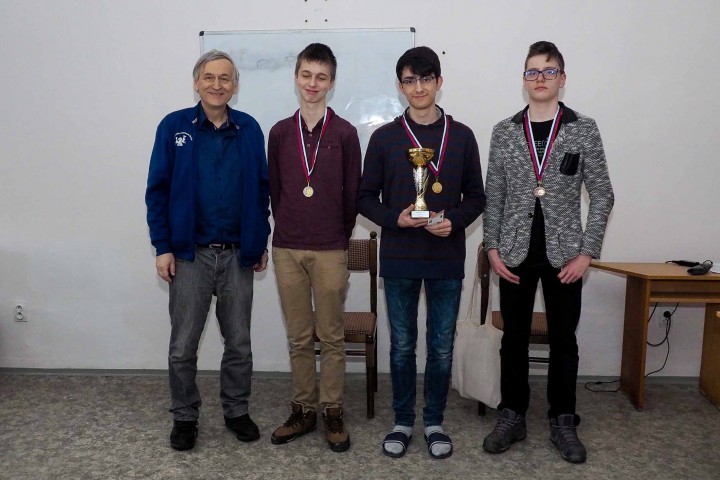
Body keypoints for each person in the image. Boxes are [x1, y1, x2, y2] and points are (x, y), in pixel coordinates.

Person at [481, 41, 614, 464]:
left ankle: (563, 419)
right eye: (532, 71)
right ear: (524, 80)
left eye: (549, 71)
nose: (540, 78)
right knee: (513, 340)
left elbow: (603, 194)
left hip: (566, 257)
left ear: (562, 78)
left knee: (564, 341)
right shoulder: (505, 131)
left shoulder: (582, 128)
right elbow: (493, 197)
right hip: (514, 253)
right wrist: (492, 248)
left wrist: (587, 253)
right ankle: (512, 414)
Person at [357, 46, 486, 460]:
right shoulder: (384, 137)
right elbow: (364, 197)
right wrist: (394, 218)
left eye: (426, 78)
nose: (418, 87)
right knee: (401, 346)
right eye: (410, 80)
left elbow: (477, 196)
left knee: (441, 347)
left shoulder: (462, 136)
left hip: (446, 256)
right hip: (400, 257)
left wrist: (456, 220)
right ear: (400, 87)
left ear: (439, 82)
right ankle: (401, 421)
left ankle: (433, 422)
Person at [145, 50, 271, 451]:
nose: (217, 85)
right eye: (209, 77)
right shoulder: (174, 127)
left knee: (239, 343)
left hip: (238, 253)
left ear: (235, 85)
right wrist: (163, 247)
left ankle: (236, 410)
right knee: (183, 346)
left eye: (225, 78)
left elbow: (262, 190)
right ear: (196, 83)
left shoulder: (249, 128)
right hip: (188, 255)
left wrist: (260, 240)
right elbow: (157, 191)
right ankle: (184, 417)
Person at [267, 43, 361, 453]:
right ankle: (303, 409)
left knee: (332, 336)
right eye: (306, 75)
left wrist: (337, 237)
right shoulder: (279, 132)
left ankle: (332, 410)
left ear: (331, 83)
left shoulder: (345, 134)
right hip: (287, 247)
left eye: (321, 77)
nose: (312, 83)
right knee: (299, 337)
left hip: (329, 248)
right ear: (296, 77)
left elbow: (352, 194)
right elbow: (275, 190)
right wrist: (289, 225)